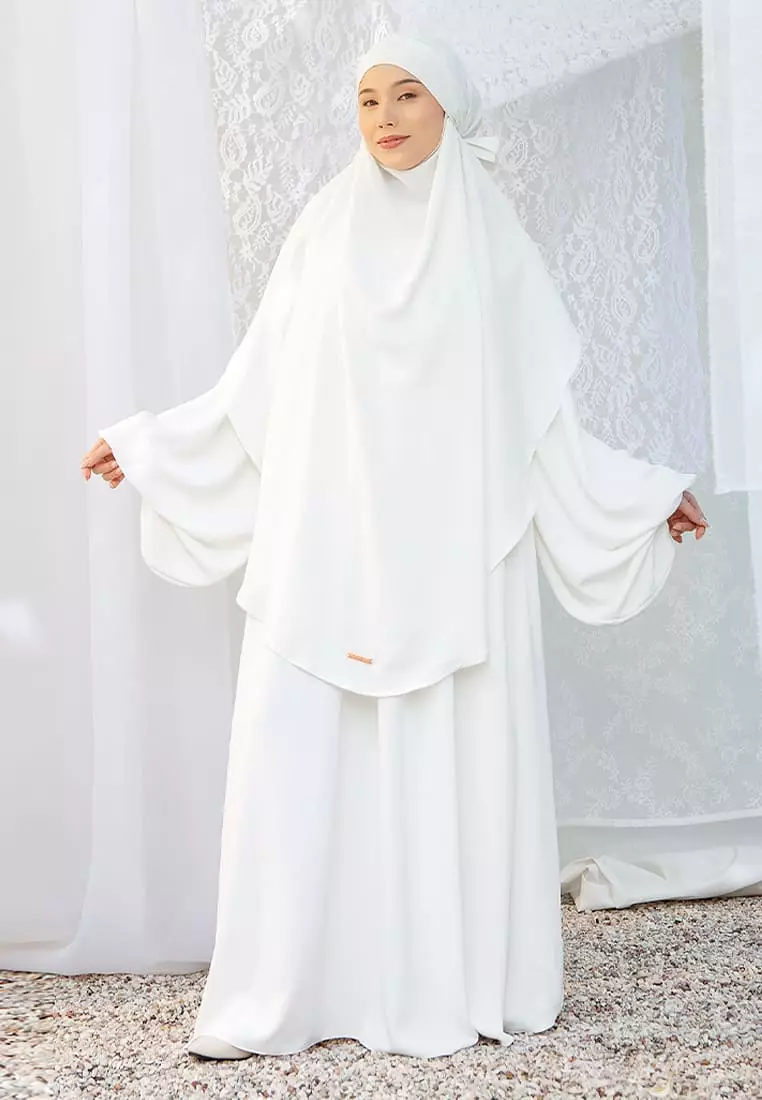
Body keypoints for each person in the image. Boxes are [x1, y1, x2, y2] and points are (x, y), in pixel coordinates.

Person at [80, 34, 708, 1061]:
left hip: (456, 553)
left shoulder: (491, 241)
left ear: (449, 106)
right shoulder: (325, 229)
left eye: (407, 94)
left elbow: (540, 422)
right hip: (327, 545)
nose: (385, 117)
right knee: (305, 750)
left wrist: (637, 497)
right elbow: (256, 389)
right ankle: (301, 983)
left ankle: (442, 979)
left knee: (445, 746)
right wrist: (155, 448)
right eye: (369, 98)